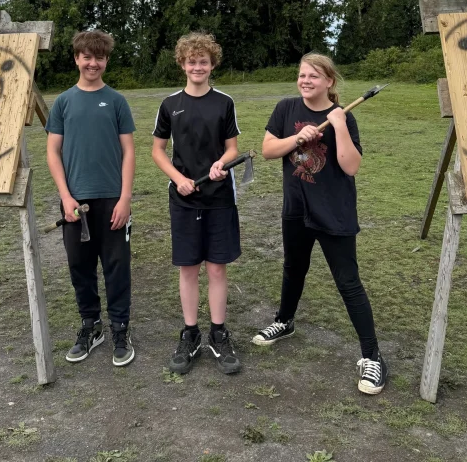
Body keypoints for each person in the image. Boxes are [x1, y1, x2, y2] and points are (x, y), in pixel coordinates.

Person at [252, 53, 387, 395]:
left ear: (329, 82)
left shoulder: (344, 117)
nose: (306, 80)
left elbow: (351, 166)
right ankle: (284, 321)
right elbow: (268, 150)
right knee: (293, 268)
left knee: (348, 282)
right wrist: (297, 139)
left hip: (333, 211)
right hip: (296, 208)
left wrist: (339, 125)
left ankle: (372, 357)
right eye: (302, 75)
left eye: (314, 76)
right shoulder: (286, 109)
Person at [152, 32, 242, 375]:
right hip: (184, 198)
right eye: (192, 61)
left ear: (212, 64)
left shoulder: (224, 102)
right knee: (188, 268)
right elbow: (157, 150)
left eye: (203, 61)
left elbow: (232, 147)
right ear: (182, 64)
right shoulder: (169, 104)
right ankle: (190, 333)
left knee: (217, 268)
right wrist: (177, 178)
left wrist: (223, 163)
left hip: (219, 198)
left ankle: (218, 333)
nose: (198, 66)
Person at [46, 30, 136, 367]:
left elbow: (129, 151)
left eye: (99, 57)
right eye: (86, 56)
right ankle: (91, 326)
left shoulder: (116, 101)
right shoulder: (64, 102)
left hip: (112, 199)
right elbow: (53, 152)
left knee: (116, 267)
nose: (92, 63)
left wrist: (125, 198)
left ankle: (120, 329)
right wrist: (66, 197)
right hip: (75, 203)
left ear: (106, 60)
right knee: (79, 267)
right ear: (76, 58)